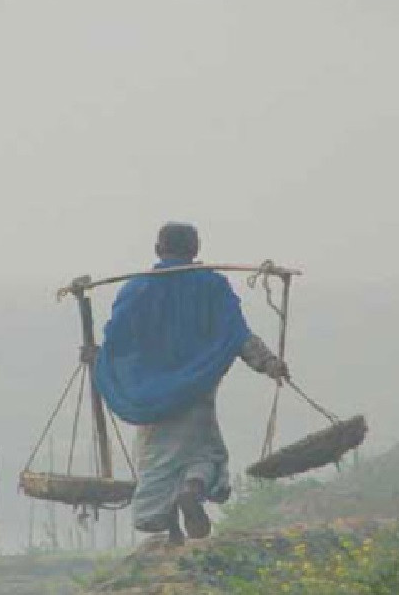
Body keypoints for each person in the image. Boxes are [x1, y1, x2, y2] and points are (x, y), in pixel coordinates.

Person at [94, 223, 287, 546]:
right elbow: (238, 334)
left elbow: (117, 341)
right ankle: (191, 491)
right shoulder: (212, 286)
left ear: (158, 250)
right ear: (196, 250)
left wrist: (96, 358)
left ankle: (172, 532)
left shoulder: (137, 289)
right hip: (197, 389)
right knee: (205, 452)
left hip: (149, 395)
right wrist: (269, 364)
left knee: (156, 458)